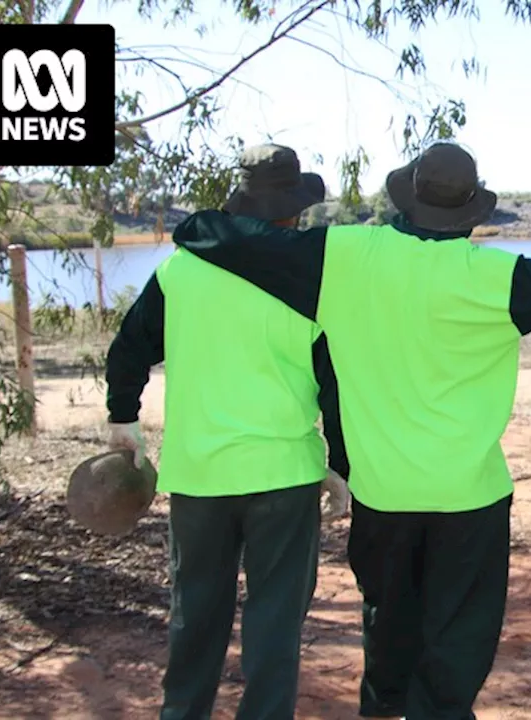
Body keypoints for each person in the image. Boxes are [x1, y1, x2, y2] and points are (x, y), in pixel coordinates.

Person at [164, 141, 531, 720]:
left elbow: (233, 242)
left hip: (382, 495)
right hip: (468, 499)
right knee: (457, 643)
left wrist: (200, 223)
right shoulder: (498, 278)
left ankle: (383, 707)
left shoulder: (346, 256)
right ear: (471, 212)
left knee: (387, 625)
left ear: (408, 199)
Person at [104, 143, 351, 720]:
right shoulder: (313, 280)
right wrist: (341, 463)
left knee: (195, 614)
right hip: (283, 477)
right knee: (274, 621)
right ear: (294, 212)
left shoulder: (180, 269)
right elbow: (336, 382)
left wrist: (123, 418)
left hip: (200, 475)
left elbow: (129, 348)